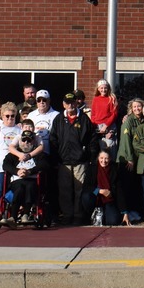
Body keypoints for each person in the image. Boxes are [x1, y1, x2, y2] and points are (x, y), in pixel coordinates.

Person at [50, 91, 97, 225]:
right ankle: (67, 215)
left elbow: (92, 139)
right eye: (67, 103)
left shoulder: (84, 119)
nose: (70, 105)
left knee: (79, 190)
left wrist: (90, 156)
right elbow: (53, 139)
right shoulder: (58, 119)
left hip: (80, 161)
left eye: (72, 102)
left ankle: (78, 216)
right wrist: (56, 157)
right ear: (64, 104)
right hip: (63, 161)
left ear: (76, 103)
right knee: (64, 190)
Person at [2, 130, 49, 223]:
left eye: (29, 141)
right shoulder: (13, 155)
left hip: (32, 180)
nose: (26, 143)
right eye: (24, 140)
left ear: (33, 142)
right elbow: (5, 165)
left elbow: (44, 164)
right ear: (20, 141)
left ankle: (26, 215)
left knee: (30, 187)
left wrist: (29, 171)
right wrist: (17, 171)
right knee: (19, 188)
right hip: (17, 180)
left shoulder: (38, 155)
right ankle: (13, 217)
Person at [116, 98, 144, 224]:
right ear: (131, 108)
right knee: (126, 187)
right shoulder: (128, 121)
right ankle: (127, 212)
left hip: (138, 159)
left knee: (135, 187)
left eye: (139, 106)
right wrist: (129, 159)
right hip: (127, 160)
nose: (137, 109)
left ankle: (135, 211)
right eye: (134, 107)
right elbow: (125, 141)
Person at [88, 150, 130, 226]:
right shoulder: (92, 168)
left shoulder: (114, 169)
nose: (103, 161)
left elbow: (119, 191)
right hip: (95, 198)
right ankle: (88, 215)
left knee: (112, 221)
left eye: (106, 158)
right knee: (86, 197)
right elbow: (86, 187)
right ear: (98, 158)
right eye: (101, 158)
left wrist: (125, 212)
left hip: (109, 199)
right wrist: (99, 191)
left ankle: (105, 215)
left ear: (110, 159)